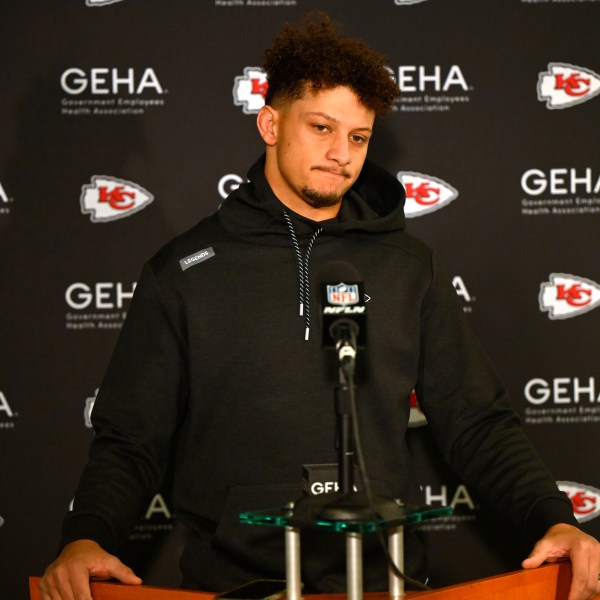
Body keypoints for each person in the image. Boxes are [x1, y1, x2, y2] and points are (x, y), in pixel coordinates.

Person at [41, 11, 600, 600]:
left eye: (358, 137)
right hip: (234, 586)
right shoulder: (184, 271)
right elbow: (131, 438)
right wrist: (87, 534)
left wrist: (551, 516)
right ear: (270, 123)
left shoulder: (410, 268)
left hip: (383, 582)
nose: (341, 153)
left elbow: (478, 423)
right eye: (321, 128)